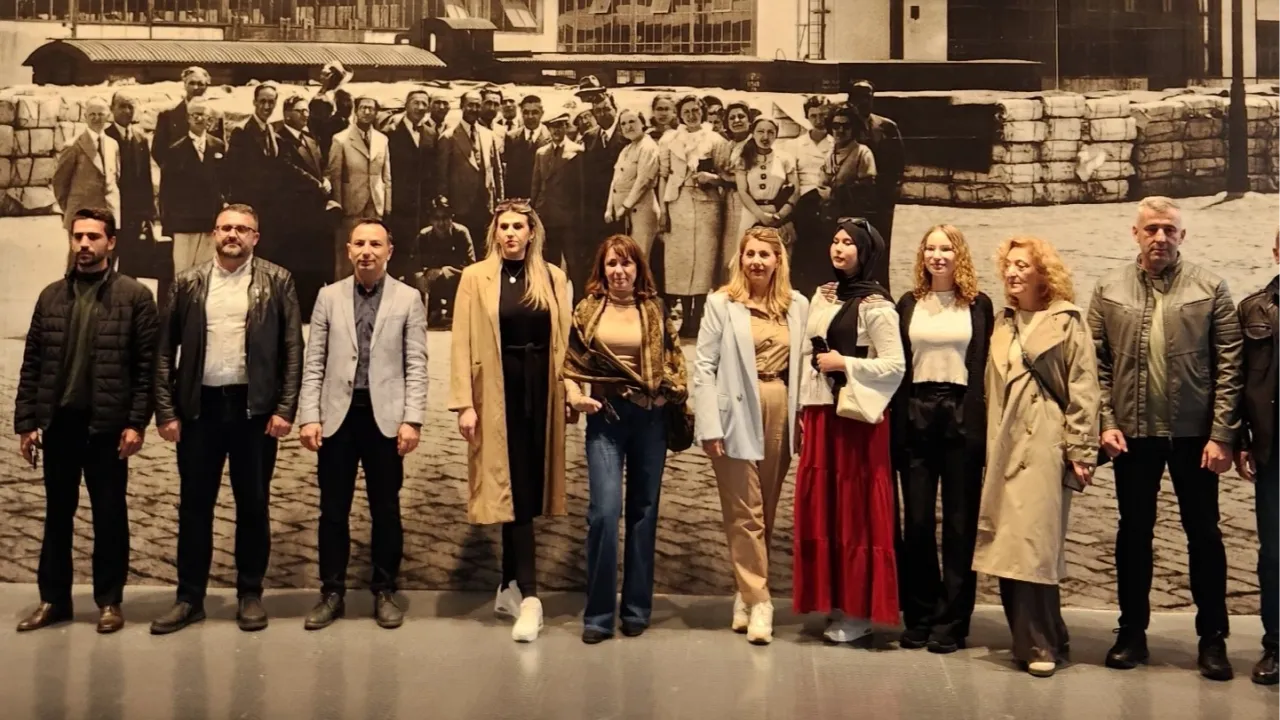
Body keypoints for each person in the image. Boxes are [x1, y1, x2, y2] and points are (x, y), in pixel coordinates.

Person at [1089, 196, 1240, 681]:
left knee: (1204, 535)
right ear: (1135, 233)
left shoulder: (1210, 288)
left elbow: (1230, 366)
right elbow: (1096, 364)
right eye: (1151, 228)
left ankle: (1212, 638)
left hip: (1194, 435)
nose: (1160, 237)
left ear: (1182, 235)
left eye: (1169, 230)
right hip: (1132, 435)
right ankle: (1131, 633)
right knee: (1133, 534)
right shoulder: (1109, 288)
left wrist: (1222, 434)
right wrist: (1106, 421)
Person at [150, 204, 304, 635]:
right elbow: (163, 352)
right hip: (199, 411)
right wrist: (166, 410)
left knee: (252, 504)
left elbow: (293, 349)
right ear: (214, 234)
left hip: (253, 412)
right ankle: (189, 598)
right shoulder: (188, 283)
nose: (232, 235)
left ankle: (250, 594)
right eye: (225, 228)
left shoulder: (278, 281)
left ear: (256, 237)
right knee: (194, 507)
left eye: (242, 229)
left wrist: (284, 408)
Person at [13, 207, 158, 634]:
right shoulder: (51, 296)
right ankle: (53, 600)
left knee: (109, 515)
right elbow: (32, 363)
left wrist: (136, 423)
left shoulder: (135, 297)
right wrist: (27, 422)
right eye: (78, 236)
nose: (84, 244)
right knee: (57, 515)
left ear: (110, 242)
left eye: (93, 237)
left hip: (107, 427)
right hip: (60, 425)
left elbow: (146, 369)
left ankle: (109, 601)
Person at [974, 235, 1099, 678]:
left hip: (1044, 442)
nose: (1012, 272)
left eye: (1022, 265)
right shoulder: (1003, 322)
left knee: (1034, 545)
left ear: (1043, 273)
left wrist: (1081, 448)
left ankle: (1039, 641)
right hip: (1004, 442)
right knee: (1009, 543)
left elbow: (1084, 388)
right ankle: (1039, 638)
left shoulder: (1067, 321)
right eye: (1008, 265)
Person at [448, 200, 573, 643]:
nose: (511, 234)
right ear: (494, 232)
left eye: (518, 227)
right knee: (512, 484)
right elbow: (461, 342)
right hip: (497, 391)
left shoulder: (552, 278)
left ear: (532, 232)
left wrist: (571, 391)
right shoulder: (475, 277)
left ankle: (508, 587)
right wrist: (464, 403)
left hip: (541, 390)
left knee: (526, 485)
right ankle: (532, 598)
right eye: (504, 227)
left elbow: (566, 340)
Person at [298, 219, 429, 631]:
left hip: (384, 418)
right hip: (337, 417)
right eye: (359, 244)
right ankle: (331, 592)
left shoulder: (408, 298)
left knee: (385, 509)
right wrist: (310, 416)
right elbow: (314, 362)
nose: (367, 251)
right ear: (349, 250)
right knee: (332, 509)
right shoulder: (328, 297)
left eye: (375, 244)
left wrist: (412, 419)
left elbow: (416, 364)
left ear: (389, 250)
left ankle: (385, 591)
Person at [563, 234, 688, 644]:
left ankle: (636, 609)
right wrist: (576, 397)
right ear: (602, 270)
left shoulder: (654, 309)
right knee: (604, 512)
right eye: (612, 264)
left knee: (643, 512)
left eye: (627, 263)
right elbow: (569, 363)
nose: (619, 271)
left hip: (650, 420)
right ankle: (599, 616)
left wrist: (666, 392)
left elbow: (674, 362)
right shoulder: (587, 310)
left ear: (638, 269)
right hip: (606, 418)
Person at [693, 226, 809, 645]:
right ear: (739, 259)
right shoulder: (721, 303)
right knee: (745, 510)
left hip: (779, 404)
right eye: (750, 254)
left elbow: (806, 362)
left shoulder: (797, 305)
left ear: (779, 261)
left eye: (765, 254)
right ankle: (761, 602)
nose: (756, 261)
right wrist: (709, 424)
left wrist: (801, 413)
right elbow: (703, 366)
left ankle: (745, 592)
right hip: (734, 410)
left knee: (767, 508)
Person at [793, 218, 904, 645]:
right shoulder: (824, 295)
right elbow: (808, 352)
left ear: (866, 251)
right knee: (827, 509)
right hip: (823, 413)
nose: (839, 249)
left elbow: (894, 364)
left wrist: (846, 364)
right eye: (835, 241)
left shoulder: (876, 305)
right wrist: (803, 408)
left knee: (855, 513)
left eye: (848, 243)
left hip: (855, 420)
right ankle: (836, 600)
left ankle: (860, 611)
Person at [893, 225, 994, 654]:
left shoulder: (978, 304)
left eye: (946, 248)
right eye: (930, 248)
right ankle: (919, 615)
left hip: (961, 413)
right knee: (916, 521)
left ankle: (952, 620)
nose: (938, 255)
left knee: (959, 522)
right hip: (916, 411)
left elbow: (984, 364)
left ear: (959, 255)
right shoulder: (908, 303)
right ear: (922, 256)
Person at [1233, 228, 1280, 685]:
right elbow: (1237, 380)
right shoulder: (1253, 310)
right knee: (1275, 553)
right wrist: (1242, 440)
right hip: (1273, 450)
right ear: (1277, 253)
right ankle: (1277, 645)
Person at [661, 94, 726, 338]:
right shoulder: (669, 139)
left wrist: (712, 178)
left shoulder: (715, 140)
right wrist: (663, 210)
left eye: (695, 110)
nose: (691, 115)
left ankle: (696, 317)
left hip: (707, 204)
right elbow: (663, 175)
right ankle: (684, 317)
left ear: (703, 112)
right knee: (681, 261)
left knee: (703, 262)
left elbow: (725, 174)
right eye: (686, 111)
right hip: (678, 203)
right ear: (679, 114)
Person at [158, 97, 226, 277]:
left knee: (207, 273)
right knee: (183, 273)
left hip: (210, 221)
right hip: (184, 223)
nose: (199, 118)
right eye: (194, 115)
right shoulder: (175, 150)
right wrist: (168, 224)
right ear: (188, 118)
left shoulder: (218, 146)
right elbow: (167, 191)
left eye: (203, 115)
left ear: (209, 119)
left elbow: (224, 183)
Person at [848, 81, 905, 291]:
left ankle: (880, 288)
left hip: (880, 198)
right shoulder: (844, 125)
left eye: (868, 96)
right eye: (860, 96)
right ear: (851, 99)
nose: (865, 101)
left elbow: (898, 163)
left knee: (880, 243)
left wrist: (891, 192)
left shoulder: (887, 127)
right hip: (851, 198)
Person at [328, 96, 392, 281]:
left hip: (375, 204)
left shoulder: (382, 139)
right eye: (363, 108)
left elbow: (386, 175)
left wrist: (387, 205)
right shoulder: (341, 139)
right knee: (349, 255)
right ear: (356, 111)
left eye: (371, 108)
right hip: (351, 206)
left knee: (375, 251)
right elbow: (335, 175)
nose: (367, 112)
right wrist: (338, 206)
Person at [438, 91, 504, 261]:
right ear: (462, 106)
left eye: (477, 105)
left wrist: (499, 200)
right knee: (465, 254)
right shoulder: (449, 137)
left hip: (486, 206)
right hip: (461, 206)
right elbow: (442, 174)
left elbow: (497, 171)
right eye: (470, 105)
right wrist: (444, 200)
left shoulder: (488, 135)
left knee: (486, 250)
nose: (474, 109)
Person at [52, 97, 120, 236]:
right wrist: (72, 210)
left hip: (108, 214)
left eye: (100, 114)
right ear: (85, 117)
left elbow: (116, 177)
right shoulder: (73, 146)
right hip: (81, 216)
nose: (96, 118)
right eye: (92, 114)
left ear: (108, 116)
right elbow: (60, 183)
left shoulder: (113, 145)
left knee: (107, 249)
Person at [733, 116, 799, 255]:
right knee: (748, 255)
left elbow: (795, 190)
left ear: (776, 134)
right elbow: (742, 191)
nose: (765, 136)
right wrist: (760, 215)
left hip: (778, 215)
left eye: (770, 132)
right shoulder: (743, 159)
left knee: (777, 257)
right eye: (760, 131)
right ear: (753, 133)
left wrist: (781, 215)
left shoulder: (785, 158)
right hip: (752, 213)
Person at [605, 109, 661, 259]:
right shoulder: (627, 149)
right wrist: (609, 208)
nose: (628, 126)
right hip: (623, 213)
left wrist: (625, 207)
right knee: (626, 258)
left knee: (639, 258)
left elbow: (643, 182)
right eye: (623, 123)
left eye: (632, 121)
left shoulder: (648, 147)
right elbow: (615, 181)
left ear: (643, 123)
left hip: (641, 211)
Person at [416, 196, 476, 327]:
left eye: (445, 218)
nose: (441, 223)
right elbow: (415, 264)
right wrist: (420, 277)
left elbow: (471, 267)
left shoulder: (461, 233)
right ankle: (433, 311)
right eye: (436, 219)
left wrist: (445, 271)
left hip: (457, 280)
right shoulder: (424, 236)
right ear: (431, 220)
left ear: (451, 218)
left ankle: (454, 311)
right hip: (432, 281)